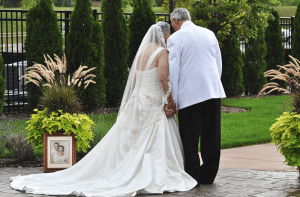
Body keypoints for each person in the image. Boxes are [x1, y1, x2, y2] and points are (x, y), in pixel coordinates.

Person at [10, 21, 197, 196]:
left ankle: (125, 166)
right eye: (169, 35)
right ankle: (147, 172)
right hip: (153, 102)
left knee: (131, 137)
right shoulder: (162, 52)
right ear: (164, 35)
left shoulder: (142, 52)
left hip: (138, 100)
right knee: (152, 138)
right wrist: (169, 102)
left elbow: (134, 78)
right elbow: (163, 79)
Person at [166, 8, 226, 185]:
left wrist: (174, 98)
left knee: (190, 137)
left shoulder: (176, 38)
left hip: (189, 94)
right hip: (213, 91)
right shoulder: (209, 33)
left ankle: (192, 175)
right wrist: (213, 84)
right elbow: (218, 64)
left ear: (175, 20)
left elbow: (174, 70)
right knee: (212, 134)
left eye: (173, 24)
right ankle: (209, 174)